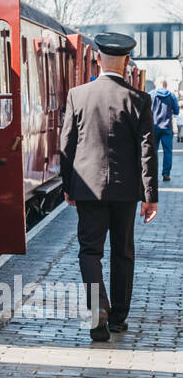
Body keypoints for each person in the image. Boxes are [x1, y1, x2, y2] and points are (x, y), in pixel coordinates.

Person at [60, 32, 158, 343]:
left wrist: (68, 186)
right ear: (127, 62)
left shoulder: (78, 95)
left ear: (98, 60)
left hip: (87, 188)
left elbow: (66, 145)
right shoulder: (140, 100)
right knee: (123, 252)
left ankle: (96, 308)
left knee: (90, 251)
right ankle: (117, 318)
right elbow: (147, 151)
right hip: (126, 191)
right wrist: (150, 196)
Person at [150, 78, 179, 182]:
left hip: (153, 127)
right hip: (167, 127)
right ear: (166, 85)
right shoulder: (171, 95)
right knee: (168, 152)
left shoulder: (151, 95)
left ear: (156, 84)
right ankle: (166, 174)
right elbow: (176, 111)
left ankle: (153, 173)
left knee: (153, 152)